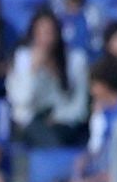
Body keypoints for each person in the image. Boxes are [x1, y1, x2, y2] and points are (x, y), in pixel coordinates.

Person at [6, 8, 90, 148]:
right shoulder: (22, 59)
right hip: (30, 122)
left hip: (64, 122)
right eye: (40, 33)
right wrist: (33, 71)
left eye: (50, 32)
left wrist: (59, 116)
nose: (45, 38)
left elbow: (80, 107)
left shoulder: (75, 61)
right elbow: (22, 100)